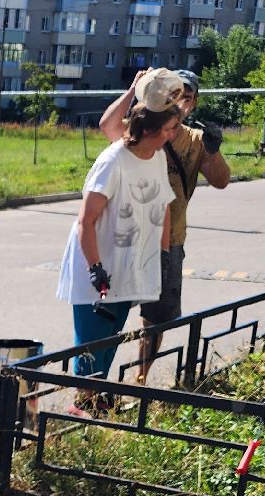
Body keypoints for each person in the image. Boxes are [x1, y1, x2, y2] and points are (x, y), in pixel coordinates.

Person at [57, 74, 184, 414]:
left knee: (110, 340)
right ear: (151, 128)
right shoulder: (113, 162)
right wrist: (96, 269)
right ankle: (84, 407)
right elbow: (86, 220)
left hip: (131, 266)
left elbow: (164, 206)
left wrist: (163, 256)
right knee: (91, 345)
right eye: (170, 128)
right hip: (99, 268)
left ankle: (95, 401)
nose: (174, 134)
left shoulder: (157, 157)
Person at [98, 67, 231, 386]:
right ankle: (95, 384)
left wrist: (213, 152)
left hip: (169, 239)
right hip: (127, 237)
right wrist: (134, 89)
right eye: (174, 94)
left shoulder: (196, 140)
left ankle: (140, 378)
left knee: (157, 317)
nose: (179, 102)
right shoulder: (143, 128)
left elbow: (221, 180)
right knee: (108, 315)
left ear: (194, 103)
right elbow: (109, 127)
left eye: (186, 97)